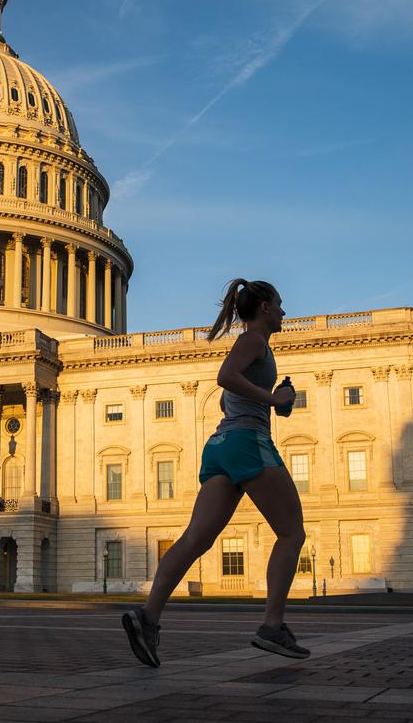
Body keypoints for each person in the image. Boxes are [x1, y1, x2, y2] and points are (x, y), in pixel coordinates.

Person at [122, 279, 308, 667]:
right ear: (263, 308)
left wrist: (276, 403)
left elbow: (230, 398)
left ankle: (148, 618)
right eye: (279, 304)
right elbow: (225, 377)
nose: (284, 312)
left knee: (195, 539)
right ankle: (273, 626)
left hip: (220, 447)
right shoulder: (253, 341)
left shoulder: (253, 347)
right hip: (247, 443)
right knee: (292, 533)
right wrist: (274, 398)